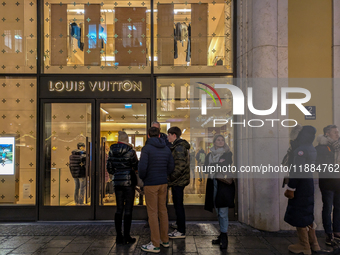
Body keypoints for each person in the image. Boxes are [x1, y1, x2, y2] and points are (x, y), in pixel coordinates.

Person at [283, 125, 324, 255]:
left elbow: (297, 171)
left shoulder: (300, 150)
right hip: (308, 184)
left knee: (299, 214)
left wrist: (291, 188)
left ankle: (304, 245)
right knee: (307, 214)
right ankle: (314, 244)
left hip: (299, 186)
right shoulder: (311, 148)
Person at [139, 127, 174, 253]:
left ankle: (155, 243)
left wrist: (144, 178)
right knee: (163, 211)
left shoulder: (146, 149)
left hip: (151, 184)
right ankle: (165, 240)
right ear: (159, 136)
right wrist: (164, 174)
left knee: (152, 213)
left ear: (148, 136)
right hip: (163, 183)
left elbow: (142, 168)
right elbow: (171, 166)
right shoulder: (166, 148)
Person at [107, 131, 139, 245]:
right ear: (127, 140)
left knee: (119, 209)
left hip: (117, 182)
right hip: (129, 182)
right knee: (128, 209)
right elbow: (136, 166)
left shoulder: (111, 151)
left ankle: (118, 236)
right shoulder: (131, 151)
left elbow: (109, 168)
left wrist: (116, 173)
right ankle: (127, 236)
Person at [204, 134, 235, 250]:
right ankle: (221, 234)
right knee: (217, 210)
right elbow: (205, 169)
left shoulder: (228, 154)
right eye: (218, 140)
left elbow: (226, 165)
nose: (221, 141)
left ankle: (224, 237)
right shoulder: (209, 154)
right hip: (213, 184)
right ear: (214, 142)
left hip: (224, 184)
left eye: (222, 140)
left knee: (223, 211)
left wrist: (214, 165)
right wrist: (218, 164)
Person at [315, 125, 340, 245]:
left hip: (338, 182)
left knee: (339, 208)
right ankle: (328, 233)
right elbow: (316, 165)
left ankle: (337, 231)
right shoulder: (320, 148)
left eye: (337, 132)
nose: (337, 134)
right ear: (327, 134)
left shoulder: (338, 147)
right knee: (328, 208)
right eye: (334, 132)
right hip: (327, 182)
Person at [167, 126, 190, 239]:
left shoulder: (179, 148)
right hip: (178, 181)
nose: (168, 137)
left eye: (169, 135)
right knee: (178, 205)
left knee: (178, 205)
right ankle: (179, 224)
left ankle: (181, 230)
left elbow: (180, 166)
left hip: (178, 181)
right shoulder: (178, 146)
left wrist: (171, 178)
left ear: (174, 135)